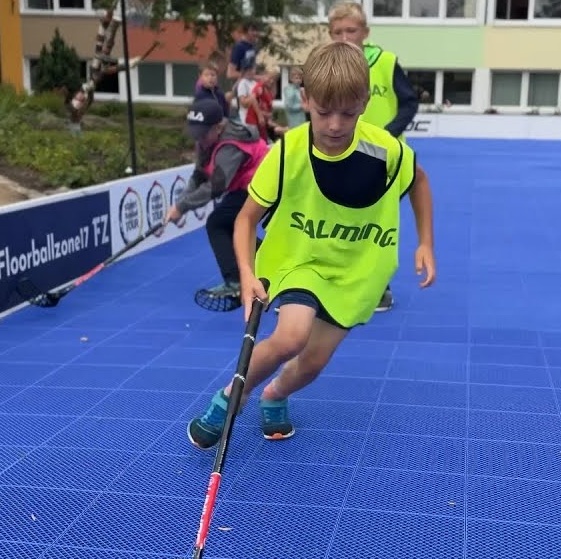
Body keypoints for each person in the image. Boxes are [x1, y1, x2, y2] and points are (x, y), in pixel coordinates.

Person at [185, 41, 437, 448]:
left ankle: (275, 394)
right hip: (299, 259)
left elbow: (419, 181)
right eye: (323, 112)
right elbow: (246, 218)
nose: (335, 124)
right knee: (291, 337)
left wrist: (425, 242)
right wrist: (247, 274)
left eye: (349, 113)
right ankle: (234, 395)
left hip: (356, 270)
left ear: (364, 102)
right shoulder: (288, 153)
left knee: (314, 363)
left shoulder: (385, 149)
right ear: (305, 100)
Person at [327, 0, 423, 313]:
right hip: (341, 151)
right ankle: (339, 281)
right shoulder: (328, 66)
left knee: (375, 223)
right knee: (339, 219)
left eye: (351, 30)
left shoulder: (385, 62)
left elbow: (409, 103)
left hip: (383, 154)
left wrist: (387, 134)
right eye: (337, 32)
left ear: (365, 32)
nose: (344, 37)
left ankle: (381, 288)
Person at [166, 98, 270, 303]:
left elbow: (216, 186)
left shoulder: (230, 145)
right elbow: (199, 175)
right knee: (231, 226)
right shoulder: (206, 141)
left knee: (217, 223)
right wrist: (180, 204)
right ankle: (269, 260)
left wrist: (182, 207)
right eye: (196, 134)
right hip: (246, 185)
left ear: (219, 127)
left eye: (204, 134)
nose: (200, 140)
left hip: (264, 184)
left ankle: (234, 283)